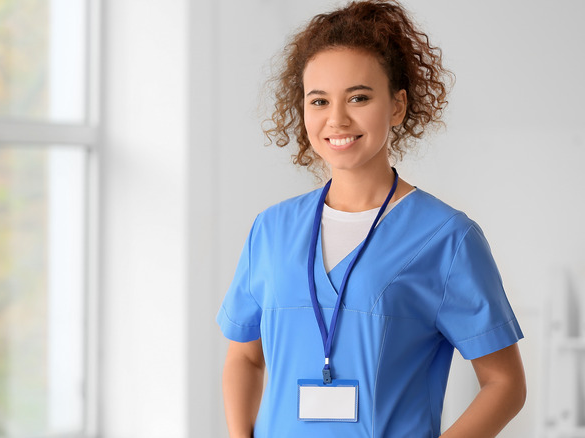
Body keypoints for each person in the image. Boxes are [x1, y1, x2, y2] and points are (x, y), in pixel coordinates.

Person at [216, 1, 526, 437]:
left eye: (359, 97)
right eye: (319, 100)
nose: (337, 119)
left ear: (397, 106)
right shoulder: (271, 230)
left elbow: (505, 383)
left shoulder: (447, 239)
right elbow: (245, 357)